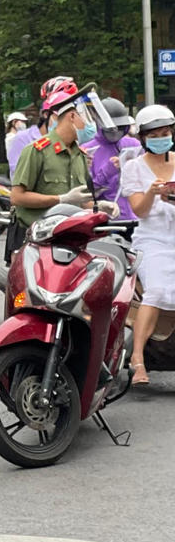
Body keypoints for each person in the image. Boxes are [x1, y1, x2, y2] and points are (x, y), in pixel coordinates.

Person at [7, 83, 105, 264]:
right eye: (88, 117)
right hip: (36, 242)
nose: (91, 125)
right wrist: (60, 199)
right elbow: (17, 197)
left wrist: (99, 208)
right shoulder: (37, 151)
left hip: (70, 242)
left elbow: (80, 199)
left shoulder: (79, 155)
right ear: (72, 116)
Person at [120, 104, 175, 385]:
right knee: (156, 290)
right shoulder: (133, 168)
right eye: (155, 134)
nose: (161, 138)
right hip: (151, 240)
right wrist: (153, 194)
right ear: (143, 138)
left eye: (166, 133)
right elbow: (138, 210)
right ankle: (138, 358)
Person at [82, 98, 140, 221]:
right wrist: (107, 173)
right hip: (108, 221)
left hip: (136, 218)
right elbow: (85, 195)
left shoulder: (134, 145)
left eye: (120, 127)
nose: (115, 132)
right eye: (111, 128)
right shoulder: (87, 151)